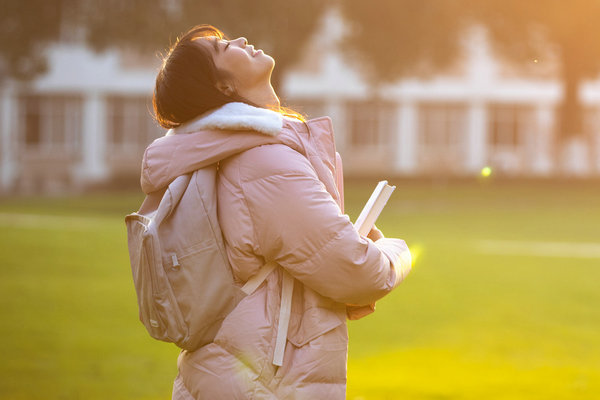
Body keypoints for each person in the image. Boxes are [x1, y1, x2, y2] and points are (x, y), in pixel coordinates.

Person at [143, 25, 412, 400]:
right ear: (222, 87)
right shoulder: (263, 161)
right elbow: (356, 271)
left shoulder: (235, 154)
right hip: (264, 385)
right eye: (223, 48)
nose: (238, 40)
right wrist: (396, 252)